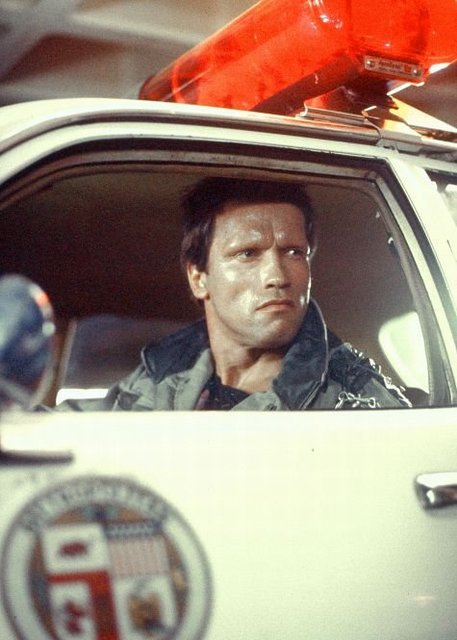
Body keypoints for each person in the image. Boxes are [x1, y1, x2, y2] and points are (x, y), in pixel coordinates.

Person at [62, 177, 411, 411]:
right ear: (199, 279)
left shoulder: (355, 401)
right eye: (248, 254)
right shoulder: (164, 375)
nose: (277, 277)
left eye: (294, 252)